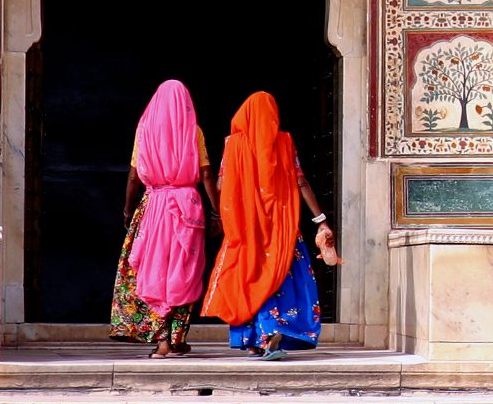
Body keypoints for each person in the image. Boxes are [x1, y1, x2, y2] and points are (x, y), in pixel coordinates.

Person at [203, 91, 337, 360]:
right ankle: (272, 333)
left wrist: (221, 216)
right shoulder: (285, 142)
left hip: (247, 228)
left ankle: (252, 340)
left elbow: (220, 184)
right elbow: (301, 182)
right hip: (281, 227)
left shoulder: (233, 145)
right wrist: (320, 219)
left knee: (249, 276)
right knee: (281, 279)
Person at [110, 79, 220, 357]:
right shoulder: (193, 131)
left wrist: (127, 207)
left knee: (154, 270)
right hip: (188, 207)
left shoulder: (144, 131)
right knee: (184, 273)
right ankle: (176, 338)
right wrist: (217, 210)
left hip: (153, 207)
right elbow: (206, 173)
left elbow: (134, 175)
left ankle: (161, 342)